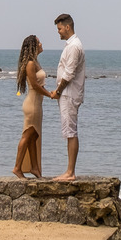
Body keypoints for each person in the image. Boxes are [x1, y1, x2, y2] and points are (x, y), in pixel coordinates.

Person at [47, 12, 85, 180]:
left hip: (69, 94)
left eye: (60, 28)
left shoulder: (74, 47)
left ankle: (70, 172)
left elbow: (68, 74)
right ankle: (69, 171)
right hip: (67, 94)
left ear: (67, 27)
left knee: (70, 131)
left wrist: (58, 91)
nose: (58, 32)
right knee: (69, 131)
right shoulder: (71, 45)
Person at [12, 34, 46, 178]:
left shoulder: (35, 62)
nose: (41, 44)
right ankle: (17, 168)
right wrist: (50, 94)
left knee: (33, 135)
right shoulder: (31, 64)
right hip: (32, 104)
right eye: (38, 42)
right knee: (27, 135)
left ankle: (35, 168)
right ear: (33, 46)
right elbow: (35, 85)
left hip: (37, 104)